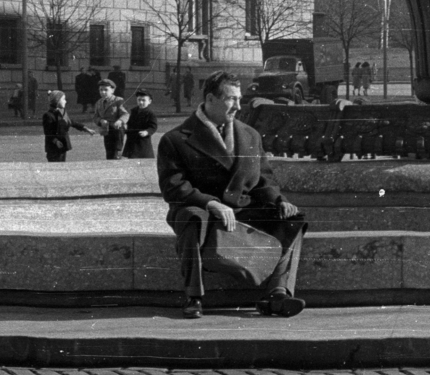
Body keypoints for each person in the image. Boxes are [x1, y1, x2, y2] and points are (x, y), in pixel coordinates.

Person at [158, 72, 307, 319]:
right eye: (231, 99)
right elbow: (173, 188)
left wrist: (279, 201)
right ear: (210, 99)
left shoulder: (250, 135)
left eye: (240, 99)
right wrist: (211, 203)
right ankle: (194, 296)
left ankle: (278, 293)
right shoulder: (175, 139)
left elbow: (263, 179)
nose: (239, 106)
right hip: (201, 211)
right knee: (192, 218)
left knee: (293, 220)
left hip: (241, 210)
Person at [42, 90, 92, 162]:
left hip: (63, 145)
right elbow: (48, 132)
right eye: (63, 99)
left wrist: (85, 128)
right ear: (57, 101)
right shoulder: (48, 115)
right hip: (53, 147)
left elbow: (71, 122)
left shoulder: (62, 112)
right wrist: (56, 141)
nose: (65, 101)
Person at [93, 78, 129, 160]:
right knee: (109, 151)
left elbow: (125, 113)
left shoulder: (118, 101)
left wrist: (120, 121)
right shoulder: (98, 103)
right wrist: (100, 121)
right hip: (106, 130)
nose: (103, 92)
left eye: (106, 90)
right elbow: (95, 117)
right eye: (101, 90)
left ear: (112, 90)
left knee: (116, 151)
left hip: (117, 130)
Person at [123, 90, 158, 158]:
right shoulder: (132, 111)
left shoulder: (150, 113)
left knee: (143, 157)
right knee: (132, 157)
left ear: (149, 101)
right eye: (139, 100)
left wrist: (147, 132)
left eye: (143, 100)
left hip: (143, 139)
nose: (141, 102)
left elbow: (153, 126)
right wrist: (125, 125)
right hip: (132, 138)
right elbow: (127, 121)